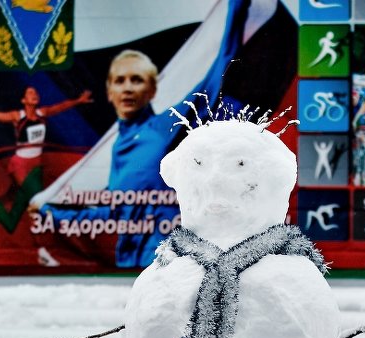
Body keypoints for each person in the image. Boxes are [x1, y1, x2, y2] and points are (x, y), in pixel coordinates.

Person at [35, 0, 252, 267]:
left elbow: (219, 68)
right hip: (129, 267)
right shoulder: (119, 147)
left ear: (151, 90)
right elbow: (119, 213)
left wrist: (237, 7)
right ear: (109, 92)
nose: (127, 88)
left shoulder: (167, 127)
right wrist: (50, 215)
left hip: (170, 263)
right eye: (120, 81)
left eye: (136, 80)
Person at [0, 86, 92, 239]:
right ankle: (42, 248)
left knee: (13, 195)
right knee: (34, 199)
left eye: (36, 92)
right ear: (23, 100)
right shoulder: (17, 116)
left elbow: (60, 107)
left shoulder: (42, 113)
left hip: (35, 164)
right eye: (30, 93)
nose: (35, 94)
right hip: (20, 164)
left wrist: (79, 100)